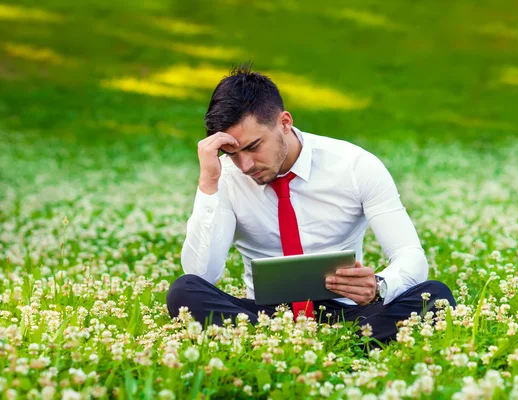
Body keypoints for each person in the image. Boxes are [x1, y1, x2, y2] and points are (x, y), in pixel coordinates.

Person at [166, 61, 456, 344]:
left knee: (436, 295)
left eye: (253, 146)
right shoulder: (226, 178)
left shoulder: (354, 166)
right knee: (184, 291)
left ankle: (280, 345)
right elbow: (201, 274)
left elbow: (409, 254)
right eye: (232, 153)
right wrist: (208, 185)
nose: (245, 165)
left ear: (285, 123)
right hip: (266, 314)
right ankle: (338, 345)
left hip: (350, 312)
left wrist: (380, 286)